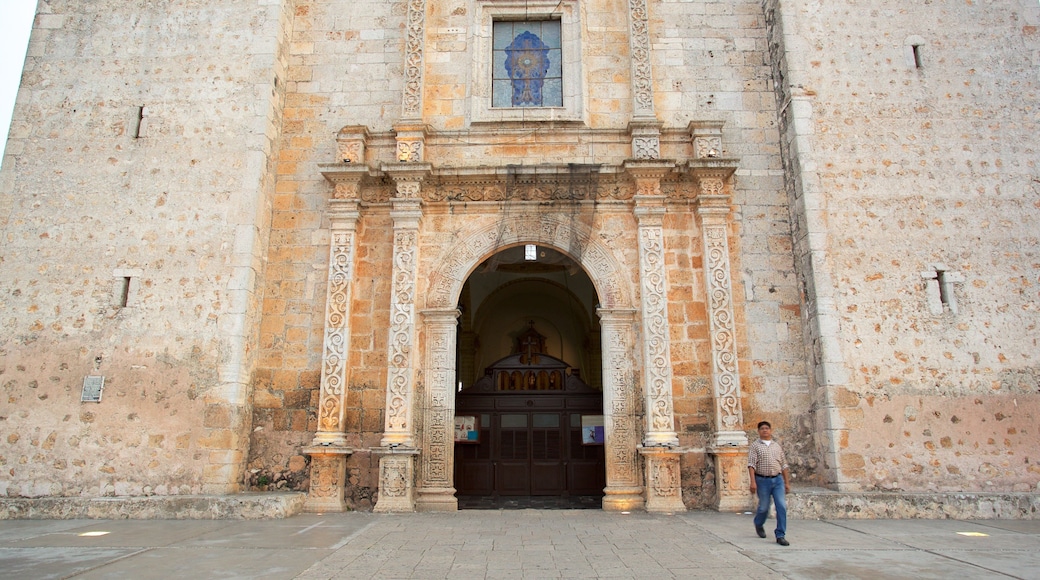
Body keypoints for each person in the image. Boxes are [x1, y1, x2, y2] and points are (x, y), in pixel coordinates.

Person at [747, 420, 791, 546]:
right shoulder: (755, 446)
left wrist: (786, 482)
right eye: (762, 428)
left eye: (767, 428)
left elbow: (783, 465)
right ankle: (758, 523)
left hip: (777, 480)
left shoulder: (776, 446)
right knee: (764, 507)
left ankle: (780, 534)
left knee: (781, 506)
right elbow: (751, 465)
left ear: (770, 430)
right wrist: (753, 482)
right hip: (762, 480)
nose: (765, 430)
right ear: (759, 431)